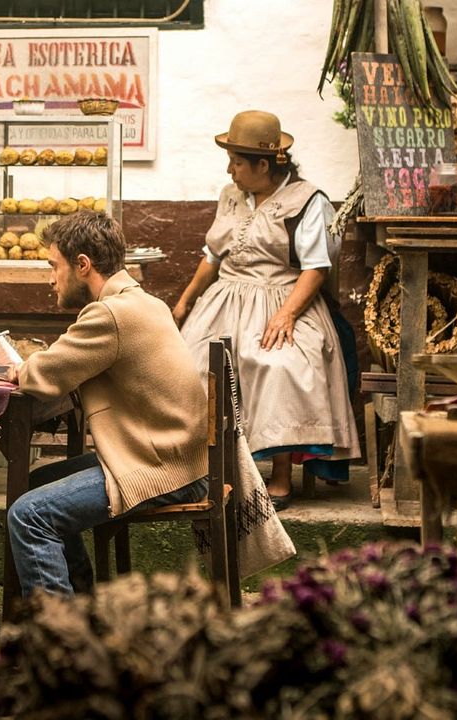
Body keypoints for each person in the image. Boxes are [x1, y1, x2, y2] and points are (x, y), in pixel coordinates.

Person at [7, 211, 210, 596]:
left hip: (163, 467)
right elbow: (67, 362)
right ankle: (81, 612)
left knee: (29, 514)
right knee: (34, 483)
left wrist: (14, 365)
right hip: (179, 456)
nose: (51, 279)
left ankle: (61, 642)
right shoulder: (143, 301)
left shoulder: (111, 313)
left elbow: (42, 374)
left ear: (82, 265)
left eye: (54, 266)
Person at [173, 110, 360, 509]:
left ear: (264, 164)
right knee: (191, 366)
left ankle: (279, 475)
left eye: (237, 162)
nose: (230, 171)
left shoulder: (307, 201)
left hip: (285, 296)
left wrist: (287, 314)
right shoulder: (231, 196)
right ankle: (207, 470)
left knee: (279, 365)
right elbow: (213, 255)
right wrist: (185, 302)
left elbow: (316, 267)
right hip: (226, 299)